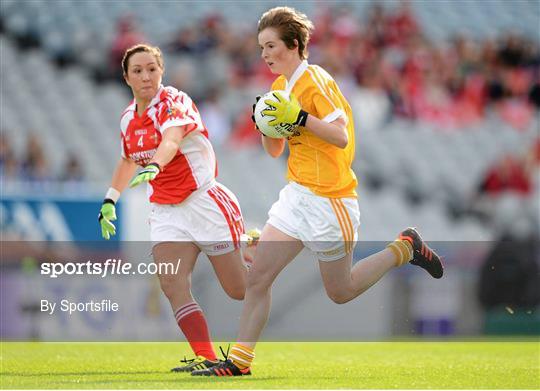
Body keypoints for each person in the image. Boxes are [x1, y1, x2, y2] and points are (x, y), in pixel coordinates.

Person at [192, 7, 443, 377]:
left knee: (340, 291)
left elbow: (340, 137)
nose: (264, 54)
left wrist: (298, 118)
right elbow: (275, 150)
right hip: (297, 196)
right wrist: (265, 123)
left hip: (331, 200)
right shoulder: (279, 89)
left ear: (293, 45)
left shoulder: (316, 80)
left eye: (271, 45)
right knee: (257, 279)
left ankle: (404, 247)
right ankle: (238, 364)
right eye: (261, 46)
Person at [98, 44, 257, 373]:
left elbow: (170, 140)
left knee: (239, 290)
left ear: (162, 71)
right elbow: (128, 158)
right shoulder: (128, 118)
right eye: (138, 71)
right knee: (171, 283)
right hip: (166, 210)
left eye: (152, 69)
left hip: (203, 201)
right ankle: (206, 356)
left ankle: (262, 252)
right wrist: (111, 199)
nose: (146, 76)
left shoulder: (174, 101)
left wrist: (155, 165)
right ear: (126, 77)